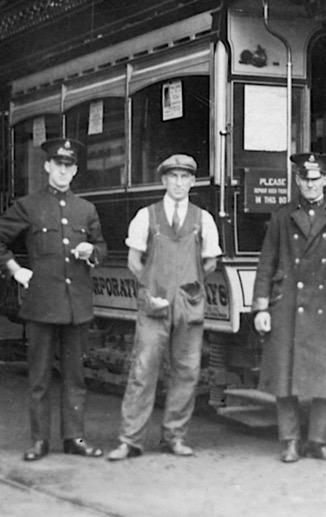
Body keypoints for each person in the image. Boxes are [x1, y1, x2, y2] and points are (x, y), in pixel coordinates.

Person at [0, 138, 107, 461]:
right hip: (41, 304)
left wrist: (92, 252)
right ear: (47, 167)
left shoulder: (86, 209)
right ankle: (39, 441)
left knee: (75, 378)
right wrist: (16, 271)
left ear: (75, 171)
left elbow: (101, 248)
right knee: (39, 377)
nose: (63, 171)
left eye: (69, 166)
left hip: (76, 306)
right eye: (58, 164)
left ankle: (74, 438)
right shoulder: (29, 205)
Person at [107, 154, 222, 460]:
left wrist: (189, 284)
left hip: (189, 304)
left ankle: (174, 436)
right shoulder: (147, 216)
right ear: (164, 180)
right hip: (154, 303)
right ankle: (130, 440)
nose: (179, 183)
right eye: (173, 177)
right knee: (143, 370)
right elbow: (134, 261)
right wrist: (150, 286)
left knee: (186, 372)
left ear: (192, 182)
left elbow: (210, 261)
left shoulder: (203, 219)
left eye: (185, 178)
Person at [252, 153, 326, 463]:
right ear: (297, 181)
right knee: (286, 376)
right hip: (287, 303)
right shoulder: (282, 216)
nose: (310, 184)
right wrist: (261, 307)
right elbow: (266, 263)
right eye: (304, 179)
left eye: (316, 178)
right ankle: (290, 441)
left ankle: (318, 441)